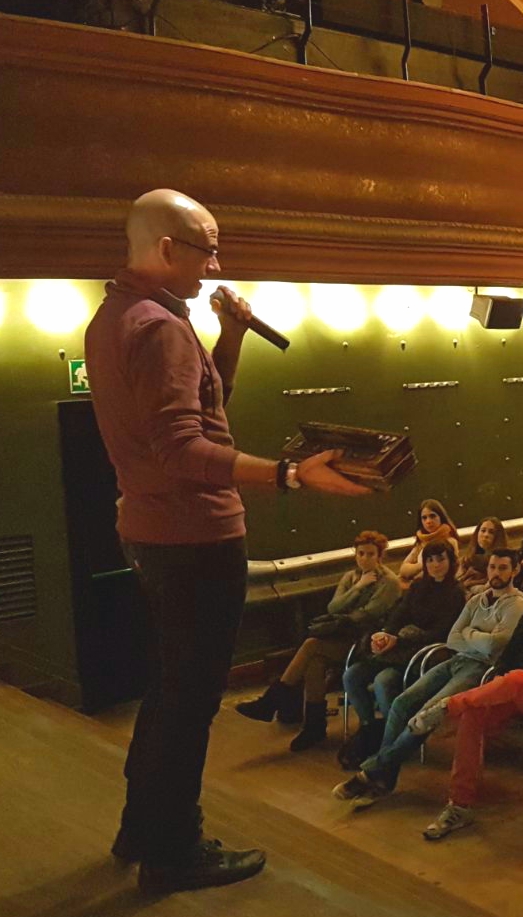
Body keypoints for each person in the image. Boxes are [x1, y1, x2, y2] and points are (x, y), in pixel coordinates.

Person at [84, 191, 374, 891]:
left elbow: (197, 417)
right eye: (207, 250)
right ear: (166, 249)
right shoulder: (160, 329)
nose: (216, 265)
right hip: (195, 538)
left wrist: (231, 338)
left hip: (150, 533)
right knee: (190, 703)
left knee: (169, 689)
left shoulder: (115, 316)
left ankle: (141, 828)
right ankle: (173, 850)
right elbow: (185, 449)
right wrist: (289, 474)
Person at [384, 553, 523, 832]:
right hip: (513, 687)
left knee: (518, 678)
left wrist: (515, 674)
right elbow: (511, 650)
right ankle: (460, 805)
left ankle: (447, 707)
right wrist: (500, 675)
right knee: (473, 715)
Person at [338, 548, 523, 806]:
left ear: (515, 570)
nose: (496, 573)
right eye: (493, 567)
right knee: (402, 703)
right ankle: (382, 777)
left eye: (503, 568)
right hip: (456, 659)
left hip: (480, 668)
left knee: (426, 714)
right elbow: (452, 638)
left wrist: (469, 633)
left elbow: (493, 646)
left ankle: (373, 773)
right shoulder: (477, 600)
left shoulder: (517, 604)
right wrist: (475, 637)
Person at [236, 530, 399, 748]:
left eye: (370, 554)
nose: (365, 559)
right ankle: (312, 726)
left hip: (368, 642)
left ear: (380, 556)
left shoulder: (389, 582)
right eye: (361, 554)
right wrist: (358, 587)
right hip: (344, 636)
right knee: (314, 662)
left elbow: (369, 614)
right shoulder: (351, 578)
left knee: (311, 646)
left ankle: (273, 701)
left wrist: (349, 610)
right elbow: (333, 607)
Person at [338, 541, 467, 766]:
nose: (435, 565)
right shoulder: (417, 587)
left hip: (420, 655)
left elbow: (442, 632)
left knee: (383, 681)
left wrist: (401, 639)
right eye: (430, 560)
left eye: (441, 559)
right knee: (351, 676)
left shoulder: (455, 593)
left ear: (451, 562)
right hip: (396, 648)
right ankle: (370, 728)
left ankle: (393, 740)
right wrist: (386, 634)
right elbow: (399, 613)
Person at [396, 499, 462, 580]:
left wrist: (417, 569)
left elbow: (441, 571)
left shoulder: (450, 542)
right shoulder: (421, 542)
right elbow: (403, 569)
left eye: (432, 516)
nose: (428, 521)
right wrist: (422, 565)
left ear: (441, 517)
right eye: (424, 518)